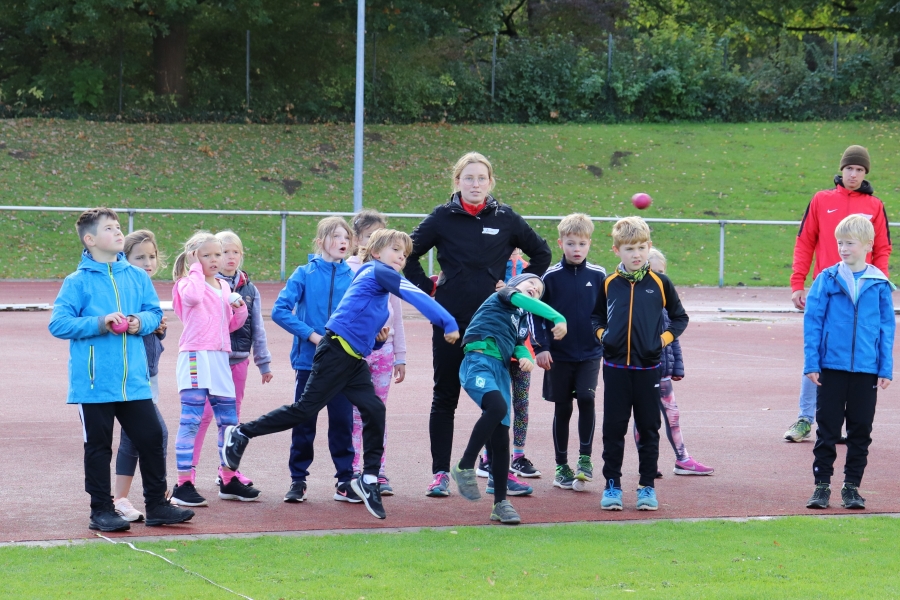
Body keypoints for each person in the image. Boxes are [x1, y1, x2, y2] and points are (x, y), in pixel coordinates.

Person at [222, 229, 459, 520]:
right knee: (303, 411)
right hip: (335, 352)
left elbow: (368, 336)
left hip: (354, 359)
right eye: (396, 250)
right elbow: (413, 293)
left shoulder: (377, 287)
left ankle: (369, 479)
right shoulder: (376, 271)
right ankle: (242, 432)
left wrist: (380, 341)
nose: (401, 257)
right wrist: (447, 321)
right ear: (375, 253)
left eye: (405, 254)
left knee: (374, 410)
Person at [404, 151, 552, 497]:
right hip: (451, 323)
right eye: (468, 178)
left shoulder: (506, 218)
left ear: (490, 182)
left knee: (496, 401)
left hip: (493, 328)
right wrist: (429, 291)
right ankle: (440, 473)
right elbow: (408, 253)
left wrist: (516, 288)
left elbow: (542, 254)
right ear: (457, 182)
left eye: (481, 178)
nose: (475, 184)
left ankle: (493, 469)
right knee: (445, 396)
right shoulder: (442, 217)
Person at [49, 208, 194, 532]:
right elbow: (58, 323)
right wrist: (101, 323)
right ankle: (101, 510)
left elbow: (155, 313)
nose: (118, 233)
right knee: (99, 447)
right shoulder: (77, 282)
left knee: (152, 436)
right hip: (94, 384)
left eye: (118, 227)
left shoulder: (137, 277)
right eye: (109, 229)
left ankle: (157, 505)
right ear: (90, 239)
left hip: (133, 383)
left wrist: (139, 322)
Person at [785, 145, 891, 443]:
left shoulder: (875, 206)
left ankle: (845, 421)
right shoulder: (821, 200)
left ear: (865, 173)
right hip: (827, 289)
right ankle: (805, 418)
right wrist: (798, 283)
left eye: (859, 170)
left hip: (861, 292)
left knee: (857, 352)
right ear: (841, 170)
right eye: (849, 169)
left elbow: (882, 248)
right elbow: (805, 241)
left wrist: (879, 283)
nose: (853, 174)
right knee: (817, 349)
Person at [449, 274, 567, 524]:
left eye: (539, 289)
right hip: (479, 362)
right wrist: (557, 317)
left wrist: (525, 357)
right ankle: (465, 465)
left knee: (502, 435)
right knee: (497, 407)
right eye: (531, 283)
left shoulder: (521, 318)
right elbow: (526, 302)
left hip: (501, 370)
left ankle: (501, 504)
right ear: (515, 284)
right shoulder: (503, 295)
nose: (536, 288)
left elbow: (518, 343)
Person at [594, 217, 689, 512]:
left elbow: (680, 317)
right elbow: (595, 318)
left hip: (649, 369)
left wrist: (661, 341)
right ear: (617, 250)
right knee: (613, 429)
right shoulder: (610, 283)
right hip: (615, 370)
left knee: (649, 428)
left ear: (648, 247)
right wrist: (604, 336)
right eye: (629, 248)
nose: (636, 254)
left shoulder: (660, 283)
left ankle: (646, 486)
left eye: (641, 247)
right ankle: (612, 485)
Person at [804, 215, 894, 510]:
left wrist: (885, 367)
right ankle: (822, 486)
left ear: (868, 245)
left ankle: (852, 487)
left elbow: (886, 328)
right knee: (827, 430)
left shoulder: (879, 284)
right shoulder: (826, 279)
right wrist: (812, 361)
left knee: (860, 432)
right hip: (831, 367)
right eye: (840, 242)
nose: (843, 247)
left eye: (850, 243)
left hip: (866, 370)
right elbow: (813, 322)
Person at [271, 217, 359, 504]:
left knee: (343, 422)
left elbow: (362, 315)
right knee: (304, 420)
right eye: (335, 236)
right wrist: (312, 336)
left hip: (343, 365)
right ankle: (298, 480)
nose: (342, 241)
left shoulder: (355, 277)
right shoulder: (304, 274)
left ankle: (345, 481)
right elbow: (280, 311)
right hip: (309, 363)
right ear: (320, 241)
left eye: (346, 236)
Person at [170, 231, 255, 507]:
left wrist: (240, 310)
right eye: (206, 255)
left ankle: (228, 479)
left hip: (220, 359)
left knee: (229, 423)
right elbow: (194, 299)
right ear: (194, 257)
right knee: (191, 421)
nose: (215, 260)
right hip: (195, 356)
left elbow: (229, 325)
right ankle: (183, 484)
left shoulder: (224, 286)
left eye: (217, 254)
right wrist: (195, 269)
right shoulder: (186, 284)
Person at [192, 230, 273, 490]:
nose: (229, 257)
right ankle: (187, 475)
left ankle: (227, 473)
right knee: (202, 417)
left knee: (231, 420)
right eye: (223, 252)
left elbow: (257, 326)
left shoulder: (249, 288)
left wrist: (263, 361)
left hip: (239, 360)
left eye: (235, 251)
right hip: (211, 359)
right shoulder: (204, 285)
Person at [533, 213, 606, 492]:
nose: (577, 249)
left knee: (587, 398)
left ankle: (585, 460)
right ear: (560, 242)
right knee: (562, 408)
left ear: (590, 244)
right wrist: (542, 347)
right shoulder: (549, 277)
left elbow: (607, 313)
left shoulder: (599, 275)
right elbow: (536, 315)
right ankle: (561, 465)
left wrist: (606, 339)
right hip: (558, 356)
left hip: (590, 352)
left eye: (583, 244)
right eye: (571, 243)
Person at [632, 248, 713, 477]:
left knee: (672, 416)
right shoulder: (637, 305)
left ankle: (683, 459)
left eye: (662, 273)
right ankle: (647, 461)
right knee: (644, 419)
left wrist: (677, 366)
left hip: (664, 373)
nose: (659, 278)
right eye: (653, 272)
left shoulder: (667, 306)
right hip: (643, 372)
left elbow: (673, 339)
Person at [111, 230, 171, 522]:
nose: (147, 262)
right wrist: (144, 324)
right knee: (152, 433)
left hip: (150, 373)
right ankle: (136, 498)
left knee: (138, 438)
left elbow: (151, 325)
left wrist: (159, 328)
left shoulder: (146, 286)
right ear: (125, 258)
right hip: (132, 376)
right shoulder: (126, 285)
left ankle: (132, 498)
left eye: (151, 256)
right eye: (140, 257)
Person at [348, 210, 407, 495]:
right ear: (359, 240)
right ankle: (353, 468)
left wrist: (400, 355)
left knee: (377, 412)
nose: (376, 240)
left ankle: (378, 470)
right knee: (355, 414)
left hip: (384, 353)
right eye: (371, 236)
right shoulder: (348, 269)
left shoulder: (391, 273)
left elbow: (396, 316)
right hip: (356, 351)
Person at [475, 247, 540, 495]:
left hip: (522, 352)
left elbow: (533, 312)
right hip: (497, 351)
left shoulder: (528, 272)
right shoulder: (492, 267)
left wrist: (536, 348)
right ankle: (488, 458)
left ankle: (518, 456)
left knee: (521, 404)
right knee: (496, 408)